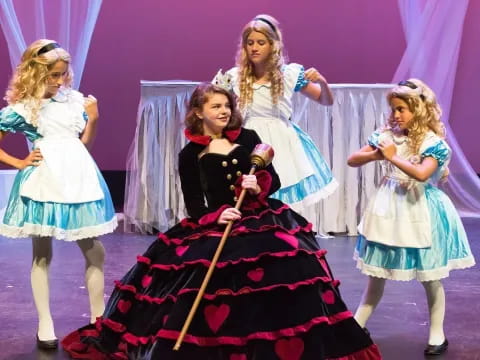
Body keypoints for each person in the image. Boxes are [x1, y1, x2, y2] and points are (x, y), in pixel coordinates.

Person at [62, 83, 381, 359]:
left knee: (292, 264)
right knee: (204, 280)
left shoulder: (250, 137)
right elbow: (194, 204)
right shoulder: (190, 154)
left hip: (261, 216)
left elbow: (276, 180)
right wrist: (216, 215)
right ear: (199, 112)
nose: (225, 111)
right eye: (216, 106)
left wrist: (260, 184)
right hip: (217, 222)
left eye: (227, 105)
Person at [0, 39, 117, 349]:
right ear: (36, 74)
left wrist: (93, 119)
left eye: (63, 74)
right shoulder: (23, 108)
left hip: (79, 177)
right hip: (45, 181)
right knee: (42, 254)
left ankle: (98, 319)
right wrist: (19, 162)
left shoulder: (75, 100)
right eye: (53, 75)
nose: (59, 81)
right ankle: (45, 322)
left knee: (95, 251)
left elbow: (84, 144)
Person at [347, 79, 475, 356]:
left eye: (402, 109)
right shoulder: (387, 136)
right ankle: (357, 326)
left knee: (430, 276)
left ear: (418, 110)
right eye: (393, 109)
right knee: (376, 273)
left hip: (420, 209)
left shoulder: (433, 143)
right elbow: (353, 159)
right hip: (389, 208)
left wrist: (392, 158)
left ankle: (437, 334)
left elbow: (421, 174)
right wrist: (376, 155)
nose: (395, 115)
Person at [213, 14, 337, 216]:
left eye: (261, 43)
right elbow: (214, 103)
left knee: (276, 195)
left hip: (280, 142)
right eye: (250, 43)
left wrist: (322, 82)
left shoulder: (288, 74)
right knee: (249, 197)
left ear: (273, 45)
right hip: (248, 140)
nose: (254, 47)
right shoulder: (234, 76)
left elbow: (325, 100)